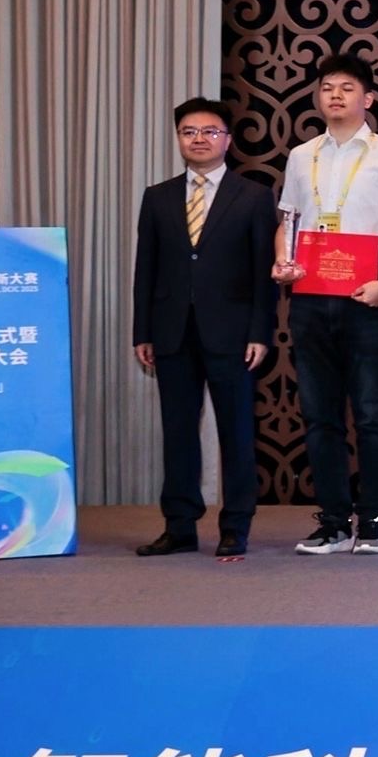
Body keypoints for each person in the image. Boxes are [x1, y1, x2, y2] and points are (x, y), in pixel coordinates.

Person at [270, 52, 378, 555]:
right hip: (311, 297)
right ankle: (333, 521)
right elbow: (288, 222)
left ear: (368, 99)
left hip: (366, 297)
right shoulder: (302, 156)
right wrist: (283, 261)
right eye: (327, 87)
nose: (335, 95)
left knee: (373, 413)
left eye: (347, 88)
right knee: (319, 415)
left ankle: (373, 520)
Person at [129, 98, 275, 558]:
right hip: (172, 332)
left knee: (236, 432)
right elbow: (145, 270)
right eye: (189, 131)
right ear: (178, 139)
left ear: (227, 140)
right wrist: (142, 331)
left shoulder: (253, 196)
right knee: (177, 432)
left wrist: (260, 332)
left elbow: (263, 272)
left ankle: (236, 525)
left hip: (233, 334)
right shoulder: (158, 197)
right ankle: (179, 525)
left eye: (210, 131)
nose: (199, 139)